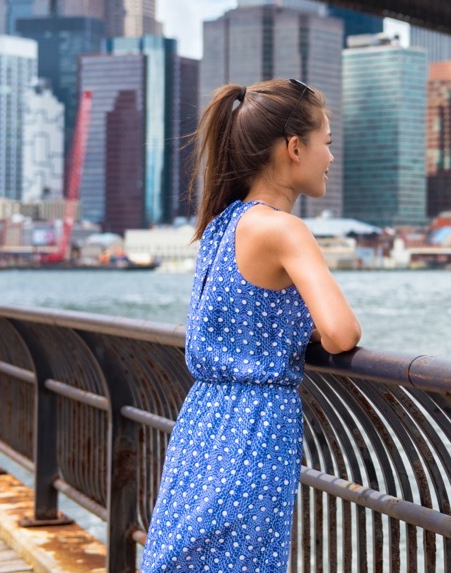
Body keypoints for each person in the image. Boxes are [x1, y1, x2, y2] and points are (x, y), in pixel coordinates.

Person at [141, 78, 361, 573]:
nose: (330, 157)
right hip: (254, 428)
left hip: (203, 419)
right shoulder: (283, 229)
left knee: (190, 554)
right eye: (327, 143)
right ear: (294, 147)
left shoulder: (222, 222)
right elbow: (342, 333)